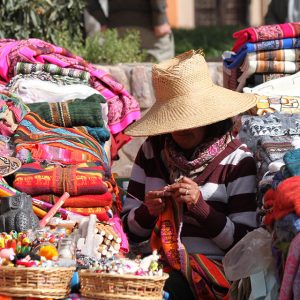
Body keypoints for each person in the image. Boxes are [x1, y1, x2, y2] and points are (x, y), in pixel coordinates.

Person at [121, 50, 259, 299]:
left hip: (214, 275)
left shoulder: (238, 160)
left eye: (190, 118)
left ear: (209, 119)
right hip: (155, 268)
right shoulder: (152, 152)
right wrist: (147, 212)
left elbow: (245, 245)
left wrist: (201, 208)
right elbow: (126, 232)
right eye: (175, 119)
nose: (182, 128)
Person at [85, 0, 175, 62]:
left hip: (117, 30)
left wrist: (102, 20)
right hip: (150, 29)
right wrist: (160, 20)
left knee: (123, 78)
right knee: (163, 77)